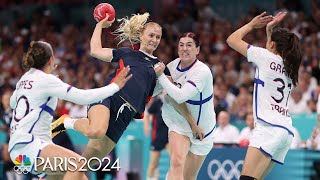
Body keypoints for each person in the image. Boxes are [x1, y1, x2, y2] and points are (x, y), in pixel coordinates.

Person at [51, 12, 201, 174]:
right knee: (96, 130)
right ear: (141, 36)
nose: (154, 40)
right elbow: (95, 50)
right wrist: (99, 26)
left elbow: (176, 97)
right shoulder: (127, 53)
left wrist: (193, 124)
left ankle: (54, 177)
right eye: (151, 35)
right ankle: (66, 122)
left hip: (126, 115)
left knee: (85, 165)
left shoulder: (159, 67)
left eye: (158, 37)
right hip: (109, 98)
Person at [8, 41, 131, 179]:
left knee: (80, 177)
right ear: (50, 60)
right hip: (29, 145)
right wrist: (115, 87)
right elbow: (83, 97)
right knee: (77, 164)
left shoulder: (23, 80)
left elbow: (13, 103)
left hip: (19, 152)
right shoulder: (46, 80)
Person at [226, 11, 302, 179]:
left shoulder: (265, 57)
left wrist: (251, 25)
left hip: (269, 128)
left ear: (273, 45)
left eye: (269, 41)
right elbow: (273, 51)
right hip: (285, 131)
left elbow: (231, 40)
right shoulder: (290, 67)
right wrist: (270, 31)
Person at [154, 32, 216, 180]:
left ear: (197, 50)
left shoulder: (202, 71)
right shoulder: (172, 66)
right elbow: (158, 90)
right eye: (181, 45)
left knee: (188, 177)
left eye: (189, 45)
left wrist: (161, 76)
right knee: (176, 163)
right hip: (179, 121)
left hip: (204, 129)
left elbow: (180, 95)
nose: (184, 48)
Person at [143, 93, 169, 180]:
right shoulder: (158, 102)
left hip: (170, 137)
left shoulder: (173, 102)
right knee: (154, 163)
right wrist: (146, 126)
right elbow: (147, 114)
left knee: (176, 162)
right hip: (157, 136)